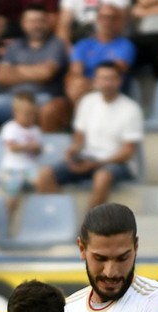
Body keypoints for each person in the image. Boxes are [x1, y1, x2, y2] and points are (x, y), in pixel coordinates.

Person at [34, 61, 142, 210]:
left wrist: (98, 163)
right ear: (95, 81)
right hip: (87, 158)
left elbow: (128, 151)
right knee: (45, 174)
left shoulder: (131, 109)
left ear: (119, 81)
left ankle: (88, 229)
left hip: (116, 163)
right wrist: (73, 151)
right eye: (103, 78)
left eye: (111, 78)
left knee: (102, 176)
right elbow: (79, 137)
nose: (107, 83)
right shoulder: (87, 102)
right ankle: (64, 219)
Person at [0, 2, 67, 133]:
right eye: (32, 21)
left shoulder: (56, 44)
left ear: (47, 23)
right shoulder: (15, 46)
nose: (36, 25)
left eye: (40, 21)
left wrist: (15, 70)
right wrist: (35, 70)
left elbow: (47, 73)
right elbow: (1, 76)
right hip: (12, 98)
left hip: (42, 98)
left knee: (48, 110)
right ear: (23, 23)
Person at [48, 3, 135, 130]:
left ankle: (81, 128)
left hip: (107, 89)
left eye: (112, 18)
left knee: (88, 86)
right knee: (51, 108)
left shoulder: (125, 45)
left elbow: (115, 70)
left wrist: (88, 83)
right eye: (104, 17)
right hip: (81, 88)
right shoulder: (83, 44)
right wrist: (82, 83)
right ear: (98, 20)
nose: (107, 22)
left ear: (119, 21)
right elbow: (76, 71)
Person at [0, 92, 42, 221]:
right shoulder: (10, 128)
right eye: (26, 114)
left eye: (32, 114)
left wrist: (36, 148)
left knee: (43, 182)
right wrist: (30, 146)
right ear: (15, 112)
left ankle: (38, 213)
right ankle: (7, 220)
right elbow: (12, 147)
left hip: (30, 168)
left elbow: (38, 150)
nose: (30, 117)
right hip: (12, 169)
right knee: (12, 196)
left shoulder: (36, 130)